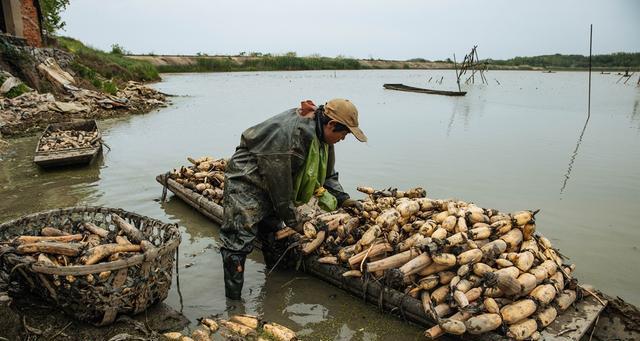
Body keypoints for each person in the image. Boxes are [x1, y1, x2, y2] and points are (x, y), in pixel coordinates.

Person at [220, 98, 367, 300]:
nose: (343, 139)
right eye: (343, 134)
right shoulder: (291, 138)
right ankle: (234, 302)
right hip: (248, 180)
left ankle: (276, 289)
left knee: (274, 232)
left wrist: (343, 198)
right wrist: (295, 222)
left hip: (275, 179)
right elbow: (280, 190)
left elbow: (327, 173)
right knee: (238, 240)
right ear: (332, 125)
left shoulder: (322, 134)